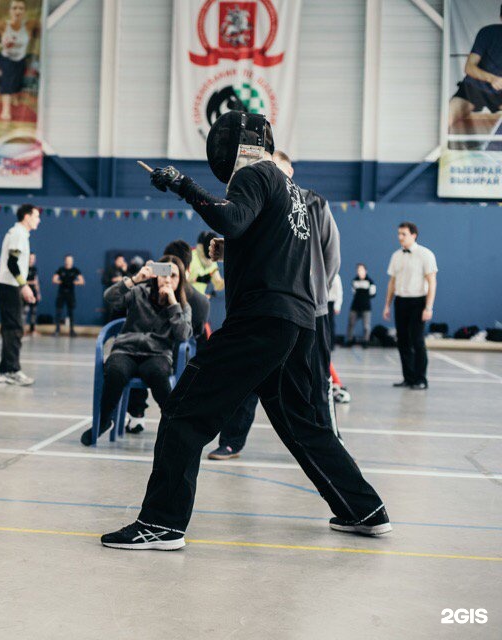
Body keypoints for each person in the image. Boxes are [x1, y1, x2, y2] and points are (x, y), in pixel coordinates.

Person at [100, 111, 388, 551]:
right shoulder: (293, 190)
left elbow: (232, 219)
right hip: (298, 322)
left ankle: (162, 524)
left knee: (183, 412)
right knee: (303, 423)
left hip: (260, 320)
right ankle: (365, 509)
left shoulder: (253, 173)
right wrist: (230, 248)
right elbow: (269, 241)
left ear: (232, 143)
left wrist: (183, 186)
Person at [206, 150, 342, 460]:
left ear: (290, 170)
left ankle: (332, 447)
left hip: (310, 309)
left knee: (317, 384)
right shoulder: (259, 199)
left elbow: (330, 255)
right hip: (265, 307)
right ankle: (232, 440)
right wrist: (226, 250)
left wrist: (314, 290)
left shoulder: (314, 203)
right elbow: (258, 248)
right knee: (247, 377)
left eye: (278, 167)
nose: (272, 173)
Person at [81, 255, 192, 445]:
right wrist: (135, 279)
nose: (168, 279)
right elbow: (110, 297)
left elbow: (183, 335)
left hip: (157, 355)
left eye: (174, 276)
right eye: (164, 274)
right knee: (115, 371)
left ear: (180, 280)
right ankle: (104, 421)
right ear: (155, 275)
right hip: (126, 350)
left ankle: (173, 429)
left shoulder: (182, 306)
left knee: (158, 375)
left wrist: (173, 304)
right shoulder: (140, 292)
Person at [124, 239, 210, 435]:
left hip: (165, 356)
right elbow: (196, 336)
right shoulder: (202, 301)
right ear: (189, 269)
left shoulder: (146, 290)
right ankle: (176, 416)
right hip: (178, 359)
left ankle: (137, 414)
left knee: (139, 348)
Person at [383, 222, 437, 390]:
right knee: (403, 341)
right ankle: (409, 377)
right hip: (401, 301)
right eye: (399, 233)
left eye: (403, 234)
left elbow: (432, 282)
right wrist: (387, 304)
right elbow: (392, 282)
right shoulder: (396, 256)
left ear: (413, 235)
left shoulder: (425, 254)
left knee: (417, 341)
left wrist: (428, 307)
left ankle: (421, 379)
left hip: (418, 301)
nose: (400, 237)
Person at [0, 204, 40, 386]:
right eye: (36, 216)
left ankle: (5, 370)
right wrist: (24, 286)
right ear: (27, 217)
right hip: (8, 285)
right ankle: (11, 371)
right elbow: (12, 263)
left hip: (10, 285)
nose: (39, 220)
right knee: (14, 329)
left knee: (11, 329)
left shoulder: (20, 234)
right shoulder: (18, 234)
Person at [447, 4, 502, 130]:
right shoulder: (488, 33)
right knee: (445, 118)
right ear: (500, 18)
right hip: (474, 87)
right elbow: (469, 67)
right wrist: (492, 79)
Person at [52, 255, 83, 336]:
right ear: (65, 261)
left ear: (72, 261)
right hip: (61, 293)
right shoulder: (61, 270)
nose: (68, 262)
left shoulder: (75, 270)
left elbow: (82, 281)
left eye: (70, 260)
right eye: (67, 260)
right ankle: (57, 330)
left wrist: (75, 282)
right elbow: (54, 279)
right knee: (59, 311)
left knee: (71, 312)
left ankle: (72, 330)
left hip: (70, 294)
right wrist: (61, 282)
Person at [346, 263, 376, 347]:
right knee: (351, 324)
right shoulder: (354, 281)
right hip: (355, 306)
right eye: (358, 270)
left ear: (366, 271)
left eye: (362, 270)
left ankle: (366, 341)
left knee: (366, 326)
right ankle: (349, 340)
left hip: (366, 307)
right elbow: (354, 292)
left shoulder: (370, 282)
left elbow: (373, 294)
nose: (360, 272)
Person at [189, 231, 225, 297]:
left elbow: (218, 283)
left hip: (199, 300)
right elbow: (179, 280)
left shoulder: (213, 262)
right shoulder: (189, 256)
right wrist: (198, 279)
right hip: (185, 299)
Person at [102, 254, 128, 321]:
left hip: (123, 296)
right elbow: (104, 280)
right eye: (120, 260)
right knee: (111, 314)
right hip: (112, 296)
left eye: (123, 261)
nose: (121, 262)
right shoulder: (110, 269)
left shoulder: (124, 270)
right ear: (115, 261)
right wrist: (114, 279)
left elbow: (129, 280)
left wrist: (124, 271)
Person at [23, 252, 40, 333]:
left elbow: (36, 282)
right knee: (25, 311)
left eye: (33, 259)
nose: (31, 260)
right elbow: (22, 281)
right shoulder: (24, 268)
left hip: (33, 292)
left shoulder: (35, 269)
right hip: (25, 292)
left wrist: (38, 293)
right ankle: (22, 328)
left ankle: (32, 329)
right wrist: (30, 282)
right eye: (30, 258)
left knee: (33, 311)